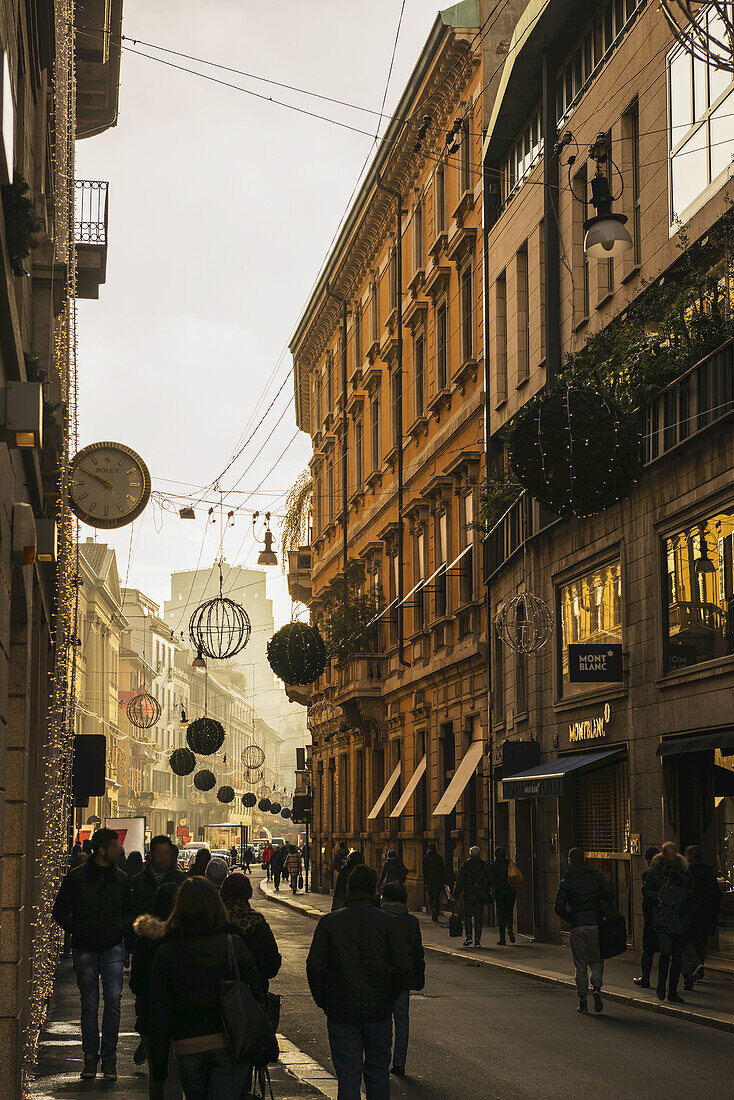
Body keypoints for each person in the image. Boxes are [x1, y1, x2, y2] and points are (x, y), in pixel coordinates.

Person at [148, 877, 266, 1098]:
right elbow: (256, 989)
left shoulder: (168, 949)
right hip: (230, 1039)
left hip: (188, 1042)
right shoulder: (232, 942)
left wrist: (159, 1062)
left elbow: (159, 1009)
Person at [307, 864, 411, 1100]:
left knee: (348, 1078)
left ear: (348, 888)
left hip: (342, 1012)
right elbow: (403, 968)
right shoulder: (387, 923)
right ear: (375, 890)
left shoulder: (329, 923)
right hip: (378, 1013)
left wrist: (326, 1002)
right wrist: (388, 998)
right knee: (378, 1074)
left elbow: (315, 967)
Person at [52, 827, 134, 1080]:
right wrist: (79, 930)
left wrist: (121, 932)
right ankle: (90, 1057)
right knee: (89, 1004)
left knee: (113, 1001)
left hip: (112, 946)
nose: (119, 850)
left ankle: (108, 1057)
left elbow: (130, 913)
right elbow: (59, 911)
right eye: (114, 846)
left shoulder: (121, 879)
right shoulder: (77, 878)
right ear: (101, 850)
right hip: (86, 948)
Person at [129, 883, 182, 1099]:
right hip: (179, 1015)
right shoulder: (183, 939)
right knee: (176, 1075)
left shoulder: (144, 941)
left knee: (156, 1074)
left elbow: (136, 983)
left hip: (150, 1014)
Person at [554, 848, 614, 1014]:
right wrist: (600, 908)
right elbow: (609, 893)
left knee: (580, 965)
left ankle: (583, 1001)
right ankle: (596, 987)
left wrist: (571, 917)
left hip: (578, 925)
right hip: (594, 923)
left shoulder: (566, 881)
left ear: (570, 860)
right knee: (596, 959)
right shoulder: (595, 876)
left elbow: (558, 907)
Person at [380, 882, 425, 1078]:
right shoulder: (411, 921)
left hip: (381, 977)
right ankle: (399, 1062)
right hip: (403, 977)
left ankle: (382, 1059)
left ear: (385, 897)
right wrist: (417, 976)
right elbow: (417, 952)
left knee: (382, 1021)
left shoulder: (378, 918)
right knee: (402, 1020)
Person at [643, 841, 692, 1003]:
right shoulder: (656, 871)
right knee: (666, 951)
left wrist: (685, 900)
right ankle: (661, 984)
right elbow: (646, 890)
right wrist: (659, 898)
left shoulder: (682, 871)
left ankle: (672, 991)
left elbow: (691, 890)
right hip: (663, 918)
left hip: (679, 917)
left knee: (677, 956)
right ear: (664, 854)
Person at [220, 872, 282, 988]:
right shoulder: (256, 922)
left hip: (216, 995)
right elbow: (272, 964)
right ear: (248, 893)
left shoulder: (214, 920)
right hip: (252, 994)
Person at [131, 836, 186, 917]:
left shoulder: (182, 881)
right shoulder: (137, 881)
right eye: (159, 853)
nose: (164, 857)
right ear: (150, 855)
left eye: (167, 853)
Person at [634, 846, 661, 989]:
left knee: (648, 950)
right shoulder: (670, 873)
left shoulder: (648, 875)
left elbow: (646, 894)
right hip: (668, 917)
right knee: (671, 950)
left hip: (652, 918)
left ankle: (645, 978)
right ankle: (687, 975)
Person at [454, 846, 491, 948]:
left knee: (468, 916)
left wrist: (455, 895)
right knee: (479, 918)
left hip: (468, 894)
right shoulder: (484, 865)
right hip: (479, 894)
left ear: (470, 854)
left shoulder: (466, 865)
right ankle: (477, 940)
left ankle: (469, 936)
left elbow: (460, 881)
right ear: (479, 854)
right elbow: (490, 879)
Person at [489, 847, 517, 946]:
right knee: (509, 911)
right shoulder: (510, 863)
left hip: (500, 892)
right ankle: (510, 930)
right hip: (511, 891)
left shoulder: (493, 866)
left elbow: (490, 880)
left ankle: (502, 938)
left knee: (501, 914)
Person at [422, 843, 446, 922]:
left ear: (429, 848)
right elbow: (443, 871)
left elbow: (424, 871)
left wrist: (425, 881)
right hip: (438, 881)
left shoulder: (425, 858)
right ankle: (436, 910)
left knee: (431, 898)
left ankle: (433, 910)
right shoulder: (439, 858)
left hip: (430, 881)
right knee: (437, 897)